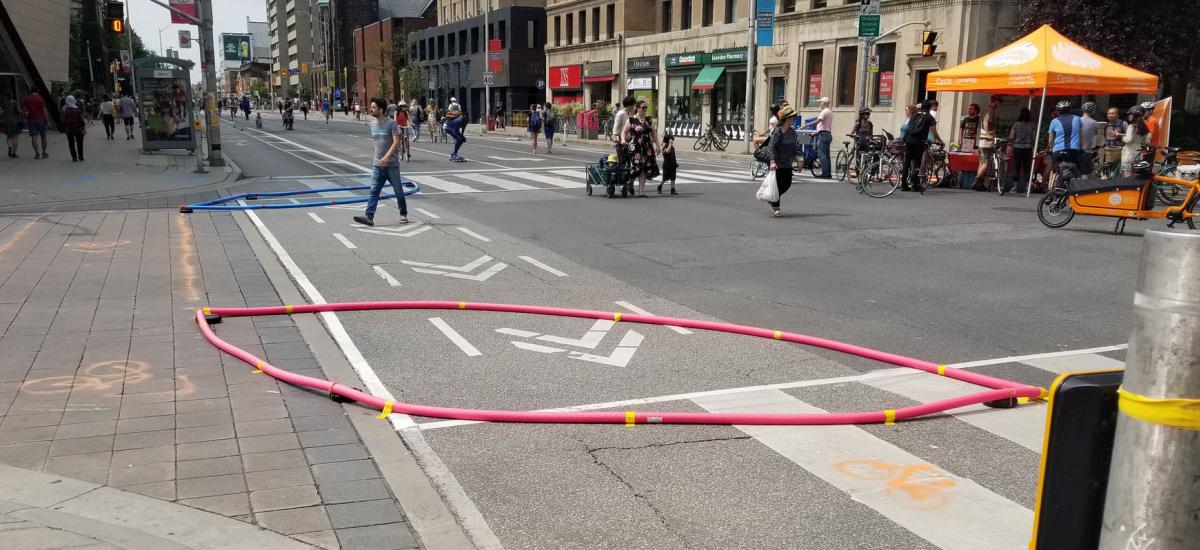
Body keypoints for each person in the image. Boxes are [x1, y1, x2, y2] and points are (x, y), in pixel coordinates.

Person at [353, 97, 409, 227]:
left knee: (398, 191)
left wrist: (387, 156)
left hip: (391, 165)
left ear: (381, 109)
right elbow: (376, 143)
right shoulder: (372, 124)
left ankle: (403, 213)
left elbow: (397, 142)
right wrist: (377, 157)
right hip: (378, 164)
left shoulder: (391, 124)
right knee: (374, 191)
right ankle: (369, 216)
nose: (371, 109)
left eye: (373, 107)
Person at [761, 105, 800, 216]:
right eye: (792, 118)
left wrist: (797, 159)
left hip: (787, 163)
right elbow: (771, 146)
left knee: (787, 184)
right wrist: (772, 161)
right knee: (777, 185)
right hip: (777, 163)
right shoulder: (778, 131)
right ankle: (776, 208)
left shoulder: (792, 132)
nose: (794, 119)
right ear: (787, 119)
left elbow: (793, 147)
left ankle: (772, 198)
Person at [901, 100, 943, 192]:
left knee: (906, 163)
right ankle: (915, 185)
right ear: (929, 107)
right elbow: (934, 131)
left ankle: (903, 184)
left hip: (909, 140)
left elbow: (909, 127)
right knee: (917, 163)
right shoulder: (929, 117)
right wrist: (941, 141)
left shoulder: (914, 115)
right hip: (919, 142)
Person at [621, 101, 660, 198]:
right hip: (635, 148)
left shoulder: (649, 120)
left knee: (644, 169)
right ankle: (630, 183)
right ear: (637, 108)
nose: (645, 109)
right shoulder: (631, 120)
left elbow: (654, 133)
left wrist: (658, 145)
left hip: (647, 148)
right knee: (635, 167)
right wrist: (622, 140)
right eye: (643, 107)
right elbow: (624, 132)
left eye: (646, 107)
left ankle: (641, 192)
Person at [1048, 99, 1082, 181]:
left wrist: (1050, 149)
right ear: (1070, 109)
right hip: (1073, 149)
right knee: (1075, 170)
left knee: (1055, 170)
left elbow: (1050, 139)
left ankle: (1053, 185)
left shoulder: (1054, 121)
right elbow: (1081, 134)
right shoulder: (1077, 119)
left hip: (1058, 150)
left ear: (1058, 111)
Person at [797, 97, 832, 178]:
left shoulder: (824, 111)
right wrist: (816, 132)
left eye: (821, 102)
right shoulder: (829, 111)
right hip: (826, 134)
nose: (820, 104)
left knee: (822, 155)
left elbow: (818, 121)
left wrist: (805, 125)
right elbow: (825, 126)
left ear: (824, 103)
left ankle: (825, 173)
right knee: (826, 155)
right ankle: (828, 173)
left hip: (823, 135)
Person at [1005, 108, 1035, 194]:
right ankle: (1027, 187)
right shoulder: (1032, 125)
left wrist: (1009, 146)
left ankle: (1015, 187)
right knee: (1027, 168)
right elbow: (1034, 137)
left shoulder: (1016, 125)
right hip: (1028, 148)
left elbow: (1011, 137)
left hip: (1017, 147)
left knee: (1016, 167)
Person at [975, 96, 1002, 186]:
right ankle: (977, 179)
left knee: (982, 161)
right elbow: (986, 122)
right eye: (998, 103)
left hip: (981, 139)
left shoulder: (984, 109)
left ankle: (978, 182)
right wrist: (988, 134)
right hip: (986, 140)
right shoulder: (991, 111)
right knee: (986, 161)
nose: (999, 106)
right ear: (995, 102)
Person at [1122, 105, 1151, 177]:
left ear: (1134, 115)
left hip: (1129, 154)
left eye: (1130, 114)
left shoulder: (1131, 126)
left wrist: (1122, 137)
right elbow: (1147, 142)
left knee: (1127, 175)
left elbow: (1128, 140)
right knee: (1136, 176)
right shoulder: (1144, 127)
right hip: (1138, 154)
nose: (1129, 116)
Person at [1078, 101, 1102, 176]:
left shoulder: (1076, 120)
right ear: (1093, 111)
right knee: (1084, 175)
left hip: (1074, 151)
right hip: (1087, 152)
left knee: (1074, 174)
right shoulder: (1095, 123)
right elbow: (1099, 140)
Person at [24, 90, 48, 158]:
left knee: (34, 136)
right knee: (43, 136)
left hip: (31, 119)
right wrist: (47, 121)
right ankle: (44, 153)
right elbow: (44, 110)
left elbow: (25, 110)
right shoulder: (41, 99)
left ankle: (37, 153)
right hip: (41, 119)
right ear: (37, 91)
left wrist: (25, 117)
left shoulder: (27, 99)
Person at [62, 95, 87, 162]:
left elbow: (63, 120)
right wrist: (84, 127)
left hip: (69, 129)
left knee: (71, 143)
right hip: (78, 129)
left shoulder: (64, 109)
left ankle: (74, 157)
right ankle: (80, 156)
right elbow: (81, 120)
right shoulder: (77, 109)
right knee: (80, 143)